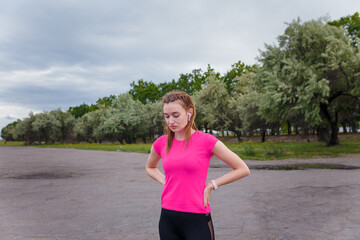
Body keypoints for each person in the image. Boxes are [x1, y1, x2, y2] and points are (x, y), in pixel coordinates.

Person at [145, 91, 250, 240]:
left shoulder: (206, 141)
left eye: (176, 115)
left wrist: (211, 185)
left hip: (197, 216)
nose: (170, 121)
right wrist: (164, 181)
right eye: (166, 116)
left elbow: (243, 169)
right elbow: (150, 167)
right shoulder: (161, 142)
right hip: (168, 217)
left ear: (189, 112)